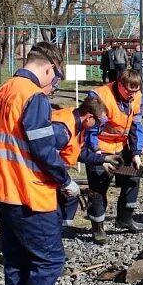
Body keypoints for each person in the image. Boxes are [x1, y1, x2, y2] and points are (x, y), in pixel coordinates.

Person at [0, 41, 79, 285]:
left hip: (2, 190)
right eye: (56, 79)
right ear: (48, 67)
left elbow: (1, 138)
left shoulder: (3, 92)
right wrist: (65, 179)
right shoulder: (33, 96)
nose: (54, 87)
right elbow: (42, 149)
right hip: (29, 193)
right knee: (50, 259)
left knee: (16, 258)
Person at [83, 69, 143, 244]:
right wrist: (99, 157)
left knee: (134, 177)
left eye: (135, 91)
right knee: (98, 187)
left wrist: (136, 153)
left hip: (121, 148)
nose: (132, 95)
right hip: (99, 149)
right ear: (119, 85)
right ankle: (98, 228)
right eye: (128, 91)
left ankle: (125, 219)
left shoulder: (137, 98)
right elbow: (91, 130)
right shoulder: (101, 97)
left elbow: (136, 127)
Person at [51, 95, 108, 227]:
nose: (98, 127)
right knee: (60, 203)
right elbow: (48, 161)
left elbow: (78, 152)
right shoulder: (62, 130)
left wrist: (104, 159)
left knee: (70, 200)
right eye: (98, 123)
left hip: (56, 173)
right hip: (42, 176)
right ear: (89, 117)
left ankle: (58, 234)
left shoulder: (79, 125)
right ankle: (52, 235)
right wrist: (66, 183)